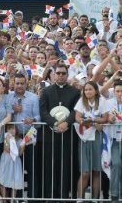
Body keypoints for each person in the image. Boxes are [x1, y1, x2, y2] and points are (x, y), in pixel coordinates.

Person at [39, 66, 78, 201]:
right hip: (50, 136)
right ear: (54, 75)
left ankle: (64, 195)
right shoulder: (46, 91)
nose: (61, 75)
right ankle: (50, 196)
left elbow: (76, 110)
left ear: (67, 75)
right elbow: (43, 111)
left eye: (63, 73)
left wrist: (66, 123)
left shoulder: (75, 92)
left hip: (68, 135)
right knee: (50, 165)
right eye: (58, 73)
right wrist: (55, 123)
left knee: (66, 166)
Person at [73, 81, 106, 201]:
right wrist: (84, 121)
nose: (87, 91)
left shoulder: (102, 101)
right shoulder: (82, 101)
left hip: (97, 137)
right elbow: (77, 117)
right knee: (85, 172)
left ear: (96, 91)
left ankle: (95, 199)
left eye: (90, 89)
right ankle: (80, 199)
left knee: (97, 171)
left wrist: (95, 120)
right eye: (85, 89)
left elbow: (105, 118)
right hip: (84, 138)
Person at [0, 123, 24, 199]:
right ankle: (4, 200)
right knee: (3, 179)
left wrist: (23, 146)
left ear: (16, 130)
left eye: (13, 128)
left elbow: (19, 154)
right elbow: (7, 149)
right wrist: (8, 140)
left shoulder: (20, 140)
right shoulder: (6, 138)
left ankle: (13, 199)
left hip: (15, 162)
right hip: (6, 161)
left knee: (15, 180)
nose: (11, 130)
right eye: (9, 129)